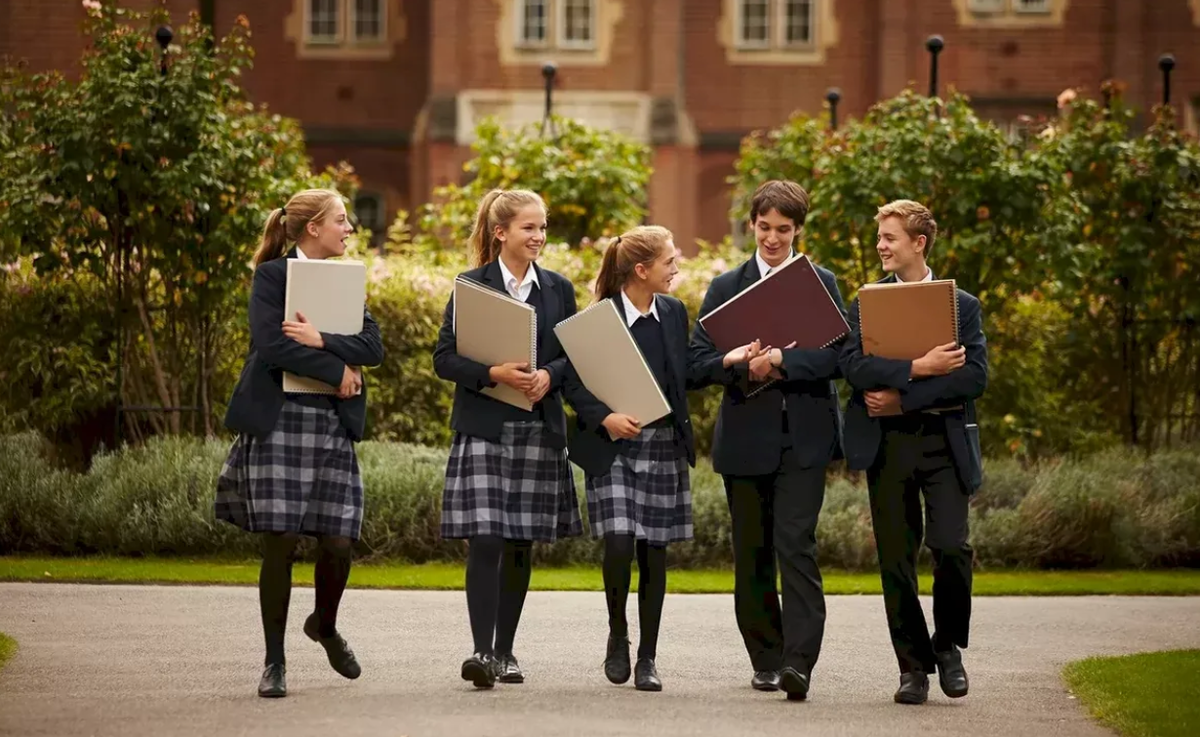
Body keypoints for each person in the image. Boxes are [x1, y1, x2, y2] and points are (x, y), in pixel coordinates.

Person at [215, 188, 384, 698]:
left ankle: (325, 627)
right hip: (279, 421)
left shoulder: (347, 280)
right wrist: (336, 369)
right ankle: (274, 661)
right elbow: (271, 345)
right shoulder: (272, 277)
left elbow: (372, 347)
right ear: (313, 227)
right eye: (340, 220)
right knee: (280, 541)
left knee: (339, 541)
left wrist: (323, 341)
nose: (349, 228)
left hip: (331, 425)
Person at [688, 180, 848, 701]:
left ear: (798, 229)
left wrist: (780, 359)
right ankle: (766, 658)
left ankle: (799, 663)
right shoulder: (724, 286)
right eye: (765, 228)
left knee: (796, 547)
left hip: (804, 438)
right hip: (746, 441)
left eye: (784, 229)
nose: (773, 238)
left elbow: (837, 358)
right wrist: (737, 363)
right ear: (752, 224)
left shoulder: (821, 281)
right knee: (752, 553)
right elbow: (695, 365)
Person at [838, 199, 987, 705]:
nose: (880, 245)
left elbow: (973, 376)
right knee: (896, 559)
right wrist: (919, 367)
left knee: (951, 546)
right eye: (879, 237)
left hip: (944, 443)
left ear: (918, 243)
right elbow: (853, 368)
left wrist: (905, 393)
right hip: (887, 448)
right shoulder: (864, 303)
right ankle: (911, 668)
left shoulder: (962, 306)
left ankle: (946, 647)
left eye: (889, 238)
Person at [432, 188, 583, 689]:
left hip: (538, 428)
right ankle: (480, 651)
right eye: (529, 227)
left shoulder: (558, 288)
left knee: (519, 542)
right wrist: (491, 371)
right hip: (485, 427)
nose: (539, 236)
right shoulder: (471, 286)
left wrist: (550, 377)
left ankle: (506, 652)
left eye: (542, 227)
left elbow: (571, 355)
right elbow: (443, 358)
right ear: (501, 233)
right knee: (487, 538)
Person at [564, 226, 698, 693]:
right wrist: (605, 418)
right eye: (670, 262)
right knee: (619, 542)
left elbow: (686, 373)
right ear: (641, 270)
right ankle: (618, 634)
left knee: (653, 555)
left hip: (662, 445)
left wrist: (734, 361)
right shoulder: (598, 319)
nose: (677, 269)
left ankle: (647, 658)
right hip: (613, 446)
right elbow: (573, 384)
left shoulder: (675, 314)